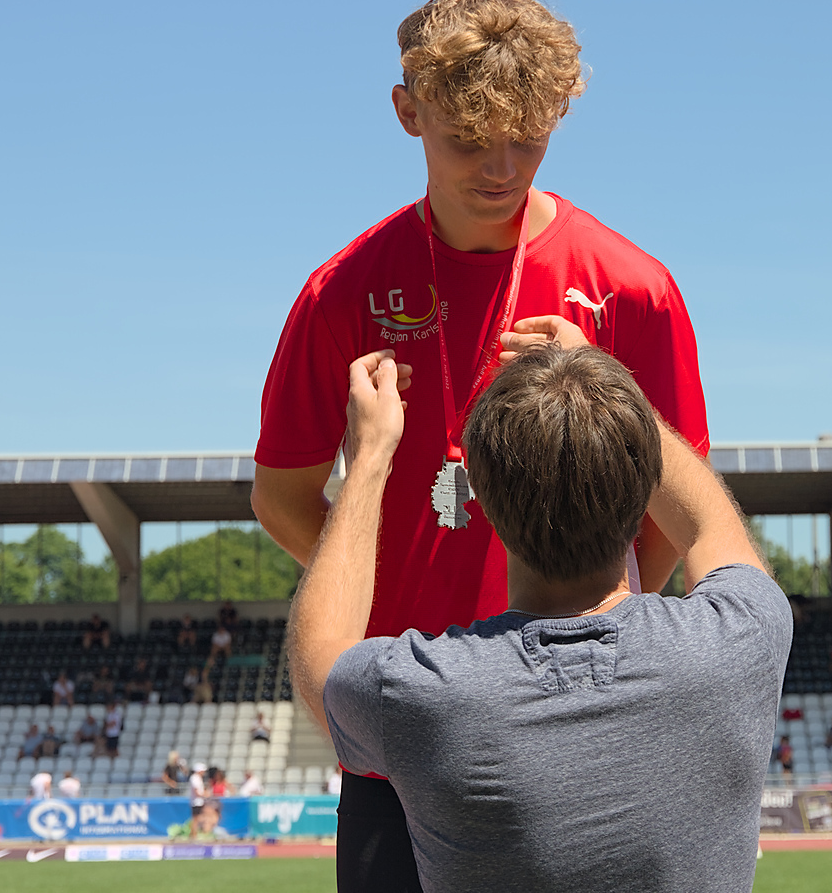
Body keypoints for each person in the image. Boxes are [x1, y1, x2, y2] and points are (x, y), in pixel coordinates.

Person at [255, 0, 714, 893]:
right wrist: (387, 603)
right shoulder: (341, 292)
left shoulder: (630, 288)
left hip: (577, 720)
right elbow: (280, 496)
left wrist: (600, 623)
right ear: (408, 112)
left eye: (529, 138)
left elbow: (680, 509)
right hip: (407, 736)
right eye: (469, 138)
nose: (502, 167)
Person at [291, 345, 787, 892]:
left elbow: (318, 651)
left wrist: (368, 459)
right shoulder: (741, 638)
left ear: (484, 500)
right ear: (645, 484)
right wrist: (604, 390)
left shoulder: (428, 695)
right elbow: (709, 525)